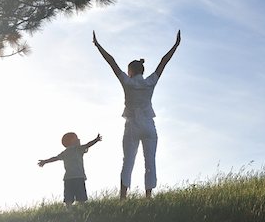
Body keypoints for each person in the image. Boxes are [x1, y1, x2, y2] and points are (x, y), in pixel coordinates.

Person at [93, 30, 181, 199]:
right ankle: (148, 196)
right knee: (150, 162)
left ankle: (123, 197)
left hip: (132, 126)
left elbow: (111, 62)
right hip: (148, 125)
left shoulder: (127, 82)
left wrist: (98, 45)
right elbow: (164, 62)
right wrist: (175, 45)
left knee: (128, 161)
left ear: (130, 71)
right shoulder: (150, 82)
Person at [38, 133, 102, 207]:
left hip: (68, 178)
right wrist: (96, 140)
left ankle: (69, 211)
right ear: (72, 141)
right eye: (77, 138)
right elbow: (88, 145)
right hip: (78, 177)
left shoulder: (65, 152)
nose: (79, 139)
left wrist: (45, 161)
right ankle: (82, 210)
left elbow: (55, 158)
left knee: (68, 198)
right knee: (81, 197)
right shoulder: (78, 149)